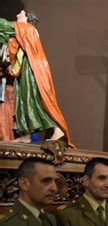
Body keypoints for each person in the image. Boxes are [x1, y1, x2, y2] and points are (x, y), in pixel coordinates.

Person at [0, 10, 73, 146]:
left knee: (35, 102)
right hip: (25, 71)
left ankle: (57, 129)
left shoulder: (27, 28)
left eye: (20, 13)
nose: (17, 15)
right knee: (23, 104)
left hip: (33, 70)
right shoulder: (21, 32)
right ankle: (25, 134)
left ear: (27, 18)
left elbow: (4, 26)